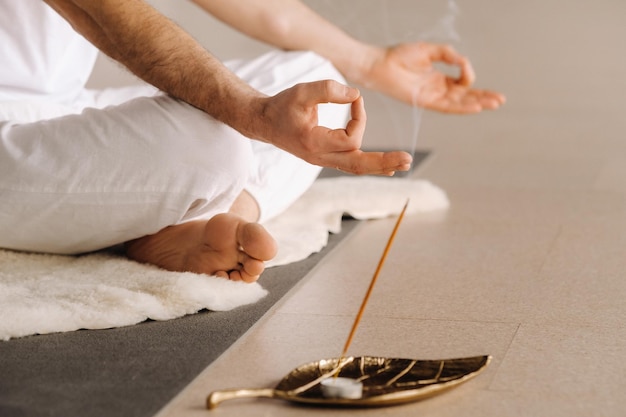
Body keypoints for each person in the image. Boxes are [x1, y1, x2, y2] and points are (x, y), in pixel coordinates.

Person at [0, 0, 505, 282]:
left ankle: (218, 217)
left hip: (62, 108)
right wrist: (252, 112)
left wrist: (370, 63)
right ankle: (156, 216)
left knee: (318, 85)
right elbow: (108, 16)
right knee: (211, 146)